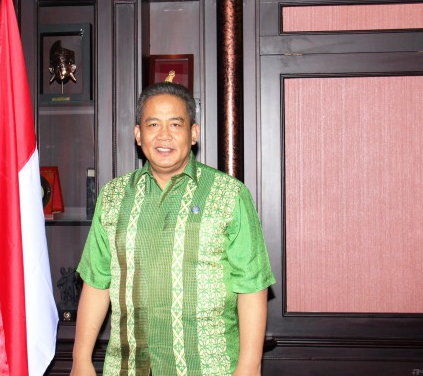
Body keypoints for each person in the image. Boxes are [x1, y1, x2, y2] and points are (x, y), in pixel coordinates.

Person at [71, 82, 275, 376]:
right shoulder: (113, 196)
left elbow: (252, 286)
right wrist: (81, 359)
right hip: (127, 368)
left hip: (210, 368)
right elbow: (96, 282)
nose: (163, 135)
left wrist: (249, 367)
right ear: (138, 134)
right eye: (153, 124)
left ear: (193, 134)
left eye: (175, 124)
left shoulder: (229, 195)